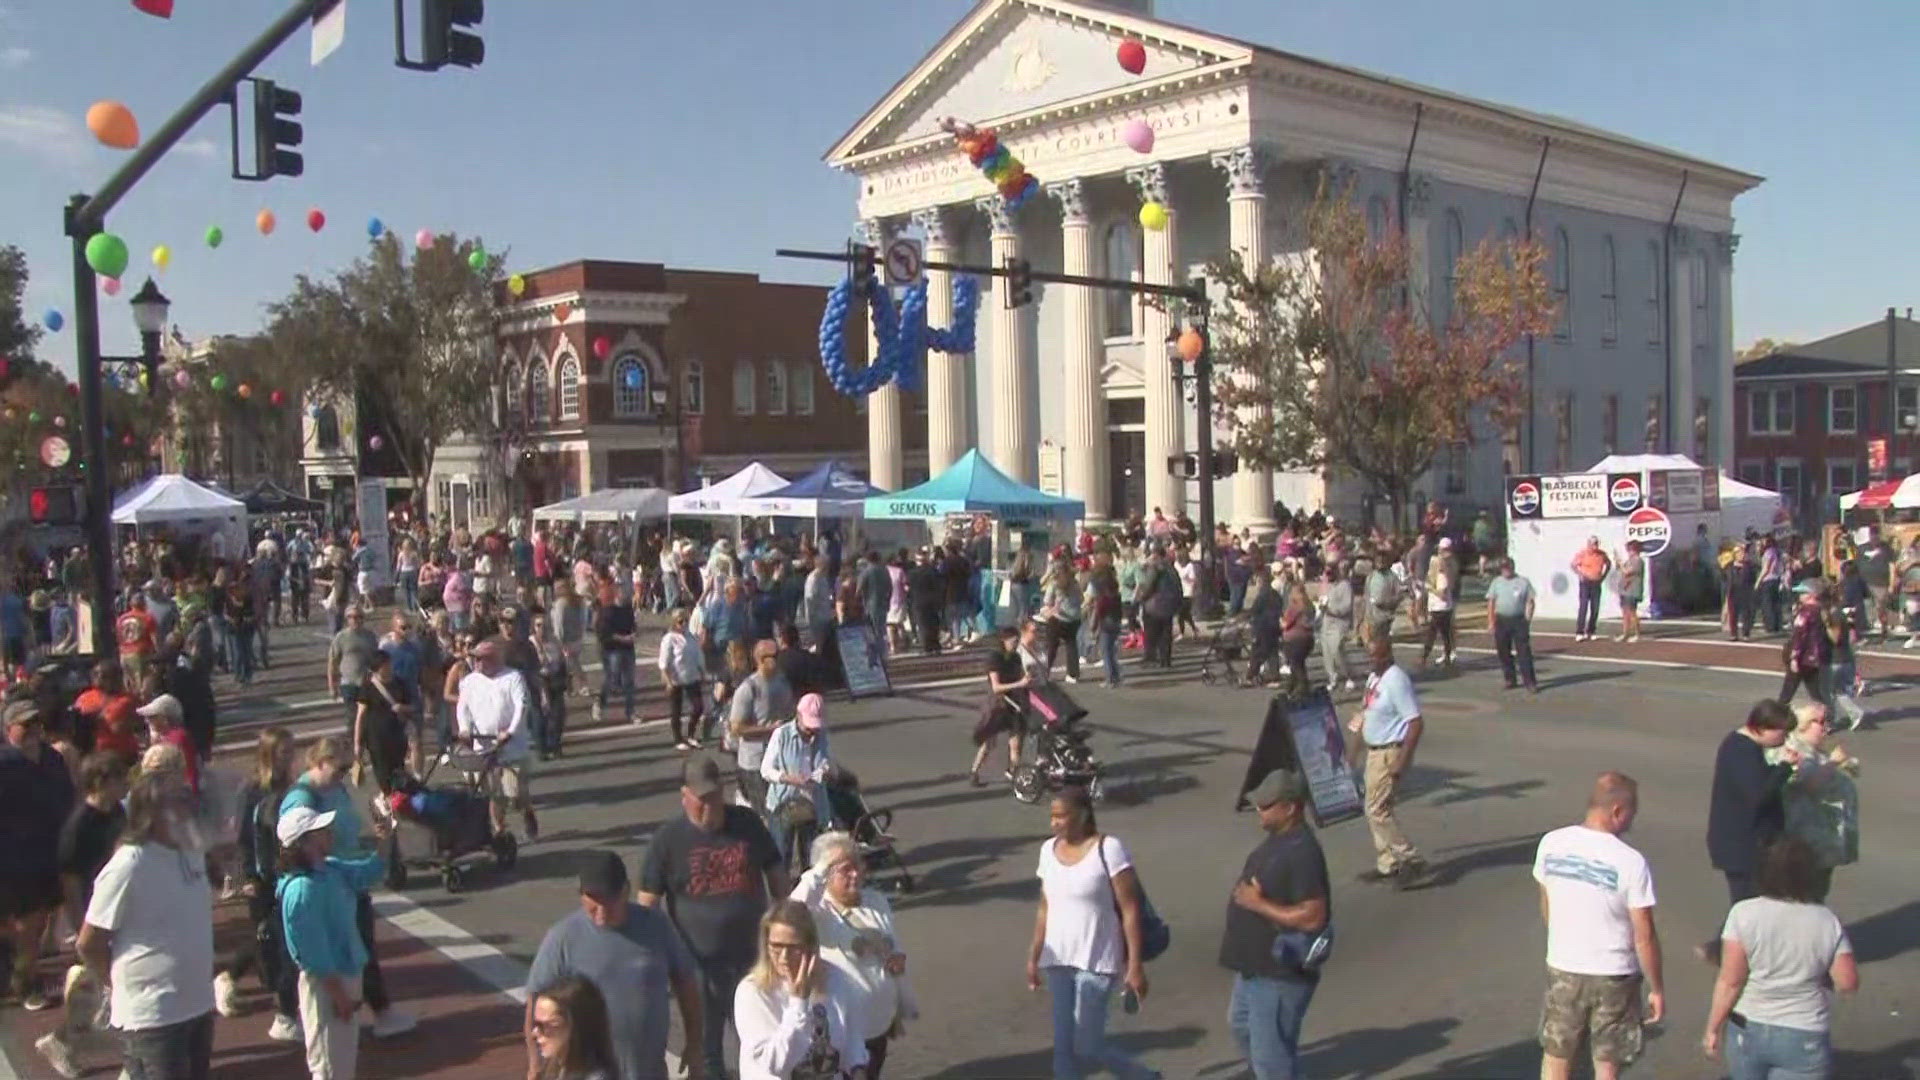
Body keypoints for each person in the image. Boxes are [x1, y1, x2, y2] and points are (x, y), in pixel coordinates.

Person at [639, 754, 787, 1080]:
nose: (709, 807)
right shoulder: (668, 840)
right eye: (701, 800)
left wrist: (788, 924)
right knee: (706, 1052)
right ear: (685, 797)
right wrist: (651, 959)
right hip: (697, 967)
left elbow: (778, 878)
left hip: (753, 960)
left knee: (761, 1043)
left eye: (715, 797)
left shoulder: (747, 823)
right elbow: (647, 905)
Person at [76, 772, 215, 1080]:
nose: (189, 807)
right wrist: (115, 984)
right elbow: (89, 942)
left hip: (198, 1004)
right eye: (178, 800)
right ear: (151, 812)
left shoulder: (191, 851)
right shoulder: (129, 864)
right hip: (153, 1018)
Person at [281, 736, 417, 1040]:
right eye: (339, 767)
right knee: (340, 951)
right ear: (319, 762)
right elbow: (294, 847)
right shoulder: (302, 800)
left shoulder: (334, 788)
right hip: (332, 884)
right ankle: (367, 1009)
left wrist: (379, 838)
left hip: (345, 877)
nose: (345, 773)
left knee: (357, 948)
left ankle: (362, 1009)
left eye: (348, 767)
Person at [526, 851, 704, 1080]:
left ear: (626, 891)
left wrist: (694, 1044)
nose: (600, 915)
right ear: (580, 895)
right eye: (592, 906)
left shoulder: (656, 926)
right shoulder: (562, 938)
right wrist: (535, 1066)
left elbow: (685, 983)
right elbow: (535, 1003)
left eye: (608, 905)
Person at [1534, 773, 1664, 1080]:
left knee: (1557, 1054)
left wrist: (1563, 937)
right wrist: (1657, 987)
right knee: (1608, 1059)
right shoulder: (1630, 861)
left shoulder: (1552, 843)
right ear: (1618, 811)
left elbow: (1546, 900)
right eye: (1632, 813)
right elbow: (1643, 934)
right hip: (1614, 972)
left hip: (1564, 965)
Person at [1025, 787, 1159, 1080]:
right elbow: (1044, 907)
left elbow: (1130, 909)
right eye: (1052, 816)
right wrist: (1034, 956)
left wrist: (1135, 965)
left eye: (1062, 816)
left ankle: (1143, 1077)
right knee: (1062, 1047)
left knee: (1088, 1045)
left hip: (1097, 960)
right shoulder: (1047, 850)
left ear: (1083, 815)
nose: (1055, 823)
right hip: (1057, 958)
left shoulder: (1108, 849)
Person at [1703, 838, 1858, 1079]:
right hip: (1805, 1030)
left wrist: (1713, 1028)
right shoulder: (1827, 920)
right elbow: (1847, 982)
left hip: (1749, 1026)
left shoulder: (1743, 913)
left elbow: (1731, 981)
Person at [1219, 770, 1330, 1080]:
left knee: (1272, 1060)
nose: (1259, 810)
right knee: (1241, 1026)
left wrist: (1257, 904)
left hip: (1280, 972)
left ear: (1291, 808)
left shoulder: (1303, 852)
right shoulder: (1281, 839)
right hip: (1256, 967)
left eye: (1266, 805)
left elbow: (1313, 915)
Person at [277, 804, 389, 1080]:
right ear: (303, 843)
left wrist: (385, 838)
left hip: (345, 976)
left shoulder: (330, 870)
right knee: (329, 1069)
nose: (328, 833)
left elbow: (370, 871)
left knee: (341, 1066)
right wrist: (339, 997)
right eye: (319, 831)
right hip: (328, 986)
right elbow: (313, 954)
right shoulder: (302, 891)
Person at [37, 751, 131, 1076]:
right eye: (119, 778)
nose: (125, 784)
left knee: (100, 997)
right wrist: (82, 927)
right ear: (101, 782)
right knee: (106, 993)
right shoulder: (79, 826)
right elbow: (70, 883)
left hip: (118, 912)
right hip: (97, 917)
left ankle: (63, 1041)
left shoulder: (117, 812)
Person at [792, 832, 914, 1078]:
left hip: (879, 1021)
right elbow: (792, 911)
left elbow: (891, 938)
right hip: (843, 1029)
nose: (855, 875)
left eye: (858, 866)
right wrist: (820, 868)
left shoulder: (876, 900)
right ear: (826, 874)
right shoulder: (819, 913)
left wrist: (898, 955)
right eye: (845, 870)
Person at [734, 900, 871, 1080]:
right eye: (776, 946)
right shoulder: (753, 991)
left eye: (793, 948)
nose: (783, 957)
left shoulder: (836, 979)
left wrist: (857, 1068)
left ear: (811, 946)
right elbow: (775, 1065)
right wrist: (798, 1003)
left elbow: (853, 1041)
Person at [1703, 700, 1796, 963]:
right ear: (1761, 728)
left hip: (1742, 843)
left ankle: (1725, 950)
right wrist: (1784, 769)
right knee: (1747, 904)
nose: (1784, 738)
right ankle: (1728, 953)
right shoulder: (1742, 751)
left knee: (1748, 903)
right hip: (1742, 846)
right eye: (1781, 732)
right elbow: (1758, 796)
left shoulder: (1742, 747)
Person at [0, 700, 75, 1010]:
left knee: (39, 921)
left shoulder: (53, 759)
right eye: (24, 724)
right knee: (25, 924)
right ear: (8, 730)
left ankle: (19, 973)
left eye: (36, 723)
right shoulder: (4, 764)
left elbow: (68, 798)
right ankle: (25, 982)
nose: (33, 730)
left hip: (50, 853)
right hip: (13, 858)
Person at [1348, 639, 1428, 889]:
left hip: (1389, 752)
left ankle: (1410, 857)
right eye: (1369, 655)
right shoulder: (1374, 679)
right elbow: (1365, 714)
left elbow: (1415, 723)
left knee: (1377, 809)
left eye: (1376, 656)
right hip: (1374, 752)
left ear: (1388, 654)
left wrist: (1402, 761)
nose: (1372, 660)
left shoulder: (1396, 680)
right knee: (1373, 807)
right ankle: (1388, 861)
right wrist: (1353, 753)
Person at [1770, 705, 1860, 902]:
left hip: (1823, 843)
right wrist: (1833, 763)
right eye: (1818, 722)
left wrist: (1846, 766)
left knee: (1817, 893)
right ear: (1801, 725)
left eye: (1826, 721)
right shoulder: (1793, 751)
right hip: (1805, 843)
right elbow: (1809, 785)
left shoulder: (1816, 751)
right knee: (1803, 896)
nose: (1825, 727)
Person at [457, 638, 538, 840]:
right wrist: (464, 729)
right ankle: (500, 830)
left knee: (515, 793)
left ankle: (526, 811)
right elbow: (462, 708)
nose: (476, 663)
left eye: (480, 659)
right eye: (474, 659)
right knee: (492, 793)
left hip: (511, 746)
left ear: (492, 659)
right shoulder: (469, 682)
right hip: (483, 746)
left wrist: (509, 731)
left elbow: (521, 706)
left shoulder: (512, 677)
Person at [761, 692, 835, 868]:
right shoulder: (781, 734)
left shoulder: (821, 735)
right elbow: (766, 770)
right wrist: (789, 778)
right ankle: (782, 892)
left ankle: (807, 891)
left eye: (815, 726)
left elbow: (827, 762)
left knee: (811, 856)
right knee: (781, 854)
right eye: (809, 725)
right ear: (798, 716)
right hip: (783, 803)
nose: (812, 731)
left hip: (812, 804)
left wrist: (825, 771)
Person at [729, 640, 795, 813]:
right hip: (755, 762)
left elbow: (790, 713)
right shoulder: (748, 689)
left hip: (780, 759)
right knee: (764, 813)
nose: (777, 659)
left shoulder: (782, 682)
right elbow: (736, 728)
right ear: (760, 659)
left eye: (778, 655)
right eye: (773, 656)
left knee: (783, 810)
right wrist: (769, 729)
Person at [530, 975, 620, 1080]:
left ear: (575, 1027)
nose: (535, 1033)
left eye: (545, 1026)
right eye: (535, 1024)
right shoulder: (555, 1070)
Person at [972, 626, 1031, 786]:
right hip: (998, 703)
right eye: (1013, 641)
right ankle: (975, 772)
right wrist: (1020, 683)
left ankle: (1014, 774)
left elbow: (1021, 677)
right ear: (1004, 640)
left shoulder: (1016, 657)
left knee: (1016, 741)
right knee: (989, 742)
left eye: (1018, 641)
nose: (1016, 644)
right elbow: (996, 687)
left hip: (1014, 702)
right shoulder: (994, 658)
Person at [1486, 558, 1541, 693]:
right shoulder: (1496, 582)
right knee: (1503, 651)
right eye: (1503, 567)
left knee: (1524, 652)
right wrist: (1491, 622)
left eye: (1508, 567)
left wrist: (1528, 618)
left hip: (1518, 620)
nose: (1505, 570)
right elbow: (1491, 603)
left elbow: (1530, 601)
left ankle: (1530, 682)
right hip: (1502, 620)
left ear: (1512, 567)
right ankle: (1510, 678)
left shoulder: (1523, 582)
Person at [659, 609, 708, 751]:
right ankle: (678, 739)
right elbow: (664, 662)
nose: (684, 624)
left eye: (686, 621)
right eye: (681, 621)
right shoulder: (669, 639)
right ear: (674, 623)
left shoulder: (690, 636)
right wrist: (668, 681)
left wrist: (702, 672)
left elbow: (698, 655)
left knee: (699, 707)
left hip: (692, 677)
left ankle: (691, 735)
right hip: (676, 679)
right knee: (676, 711)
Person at [328, 607, 381, 739]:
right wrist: (332, 686)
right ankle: (354, 747)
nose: (355, 620)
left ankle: (367, 744)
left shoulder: (370, 636)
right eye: (351, 617)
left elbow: (377, 659)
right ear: (347, 619)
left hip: (367, 683)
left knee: (370, 718)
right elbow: (333, 662)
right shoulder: (341, 637)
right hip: (349, 683)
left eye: (358, 617)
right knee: (352, 718)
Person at [1777, 583, 1831, 707]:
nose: (1800, 596)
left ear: (1811, 595)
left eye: (1802, 593)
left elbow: (1799, 636)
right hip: (1815, 657)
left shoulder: (1805, 612)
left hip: (1803, 657)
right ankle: (1827, 717)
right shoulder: (1822, 610)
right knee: (1815, 691)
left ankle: (1776, 718)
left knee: (1787, 691)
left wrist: (1794, 657)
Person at [594, 585, 639, 726]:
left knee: (629, 681)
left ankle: (630, 711)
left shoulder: (628, 610)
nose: (626, 596)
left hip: (628, 648)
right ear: (616, 595)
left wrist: (634, 633)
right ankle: (600, 703)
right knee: (612, 679)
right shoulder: (607, 611)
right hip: (613, 649)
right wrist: (622, 638)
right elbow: (603, 633)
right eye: (623, 593)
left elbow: (633, 626)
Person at [1571, 537, 1612, 642]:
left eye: (1596, 544)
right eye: (1593, 544)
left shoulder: (1602, 554)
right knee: (1583, 606)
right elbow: (1573, 565)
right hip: (1585, 582)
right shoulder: (1583, 554)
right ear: (1588, 544)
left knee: (1595, 607)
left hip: (1596, 582)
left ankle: (1591, 630)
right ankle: (1580, 631)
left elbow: (1608, 564)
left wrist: (1603, 576)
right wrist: (1580, 574)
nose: (1595, 546)